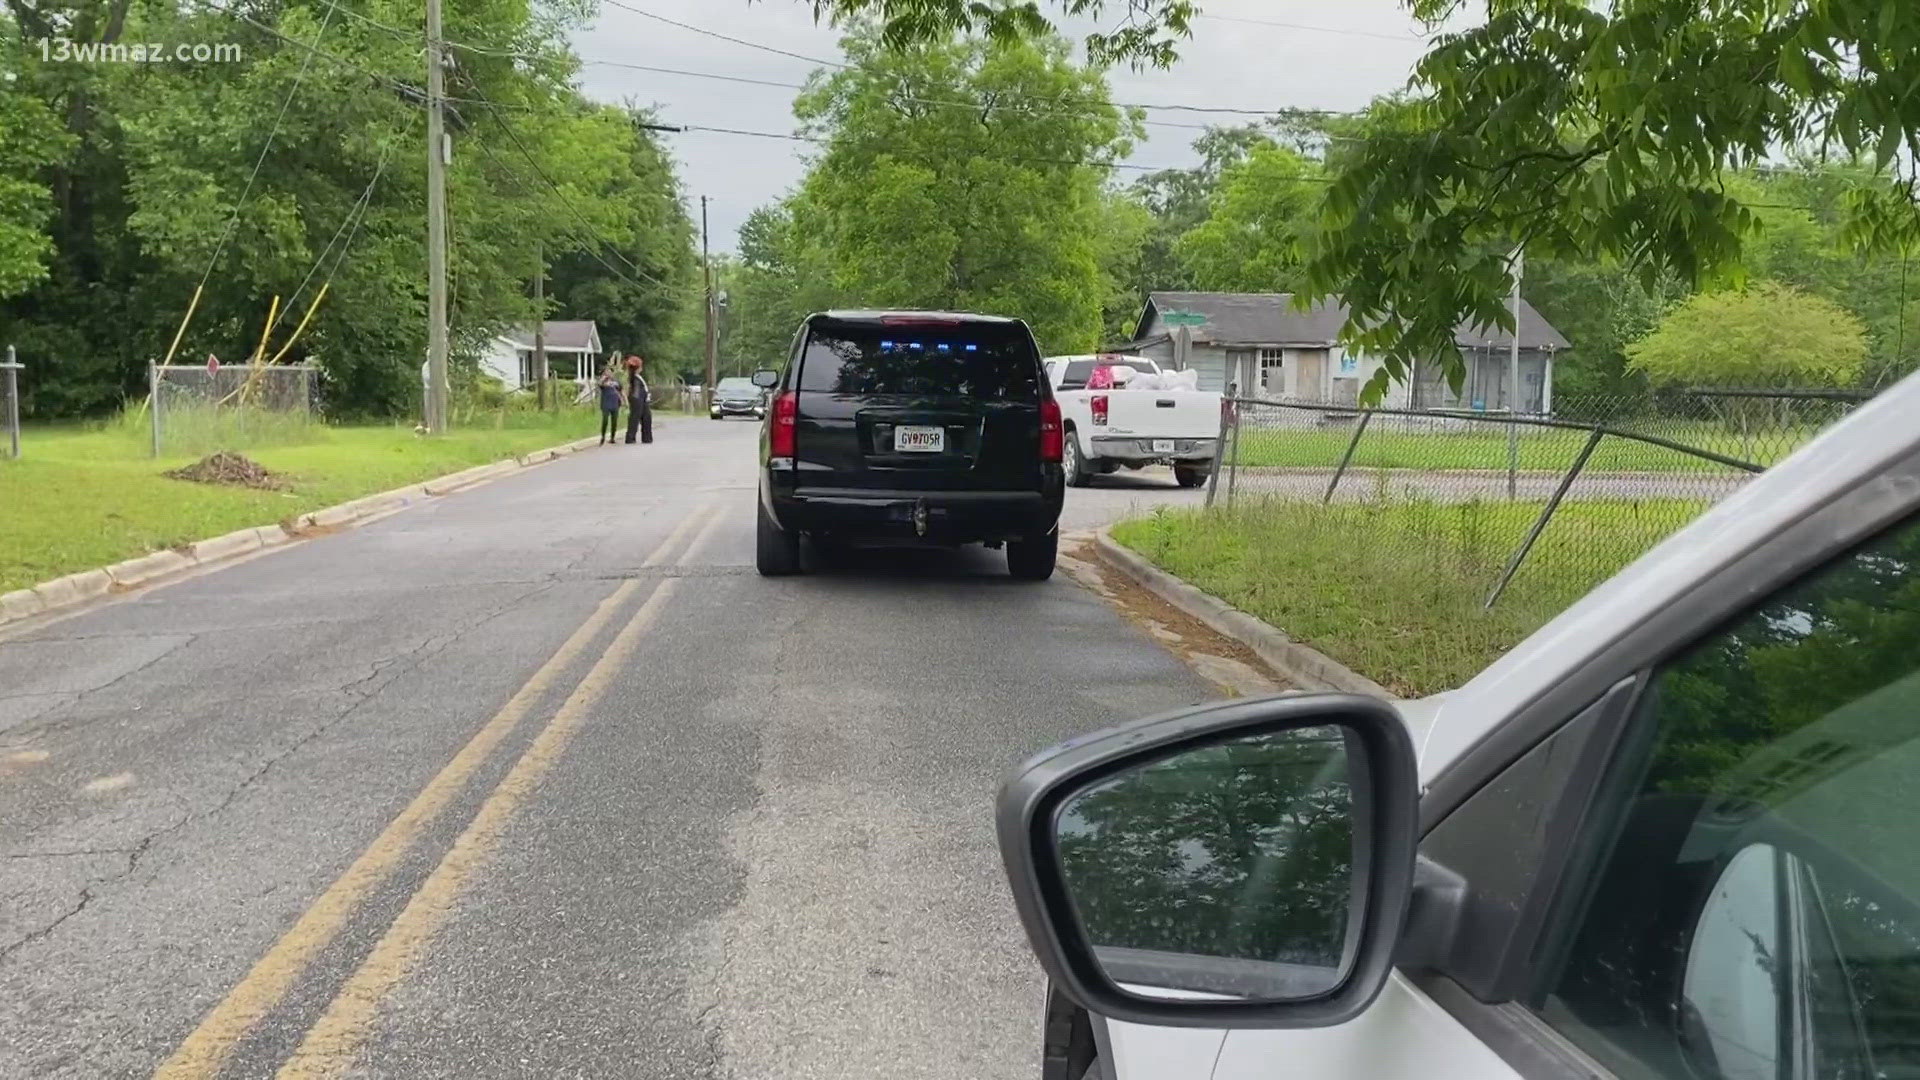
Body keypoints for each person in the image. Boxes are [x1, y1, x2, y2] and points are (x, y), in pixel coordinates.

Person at [623, 355, 653, 444]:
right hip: (638, 400)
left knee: (646, 417)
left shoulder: (637, 377)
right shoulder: (635, 378)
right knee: (635, 418)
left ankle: (646, 437)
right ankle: (630, 437)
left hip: (641, 400)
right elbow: (636, 391)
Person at [597, 370, 624, 445]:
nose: (608, 374)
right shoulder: (603, 382)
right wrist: (603, 378)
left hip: (615, 404)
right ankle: (603, 436)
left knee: (614, 421)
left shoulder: (616, 382)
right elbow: (599, 384)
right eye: (606, 373)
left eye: (609, 373)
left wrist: (624, 401)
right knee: (605, 420)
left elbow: (621, 391)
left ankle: (612, 437)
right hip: (606, 404)